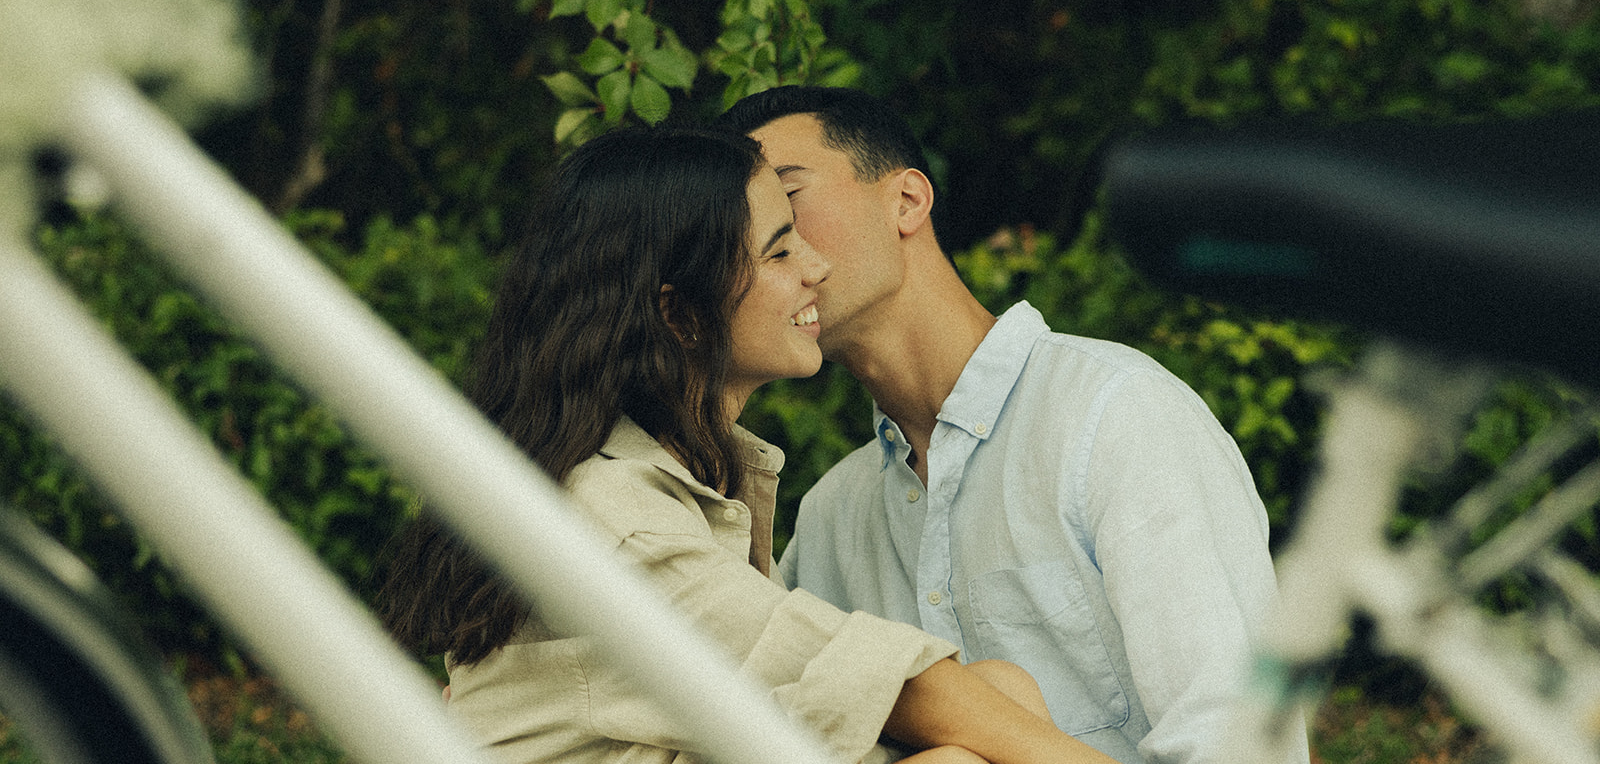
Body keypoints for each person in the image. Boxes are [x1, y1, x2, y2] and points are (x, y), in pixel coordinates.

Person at [376, 125, 1121, 764]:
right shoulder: (615, 521)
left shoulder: (671, 476)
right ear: (679, 313)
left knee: (1001, 692)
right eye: (778, 252)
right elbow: (849, 673)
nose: (817, 268)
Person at [719, 87, 1310, 764]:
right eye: (746, 229)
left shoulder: (1115, 415)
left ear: (907, 201)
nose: (771, 245)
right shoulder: (832, 520)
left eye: (787, 201)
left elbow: (1234, 741)